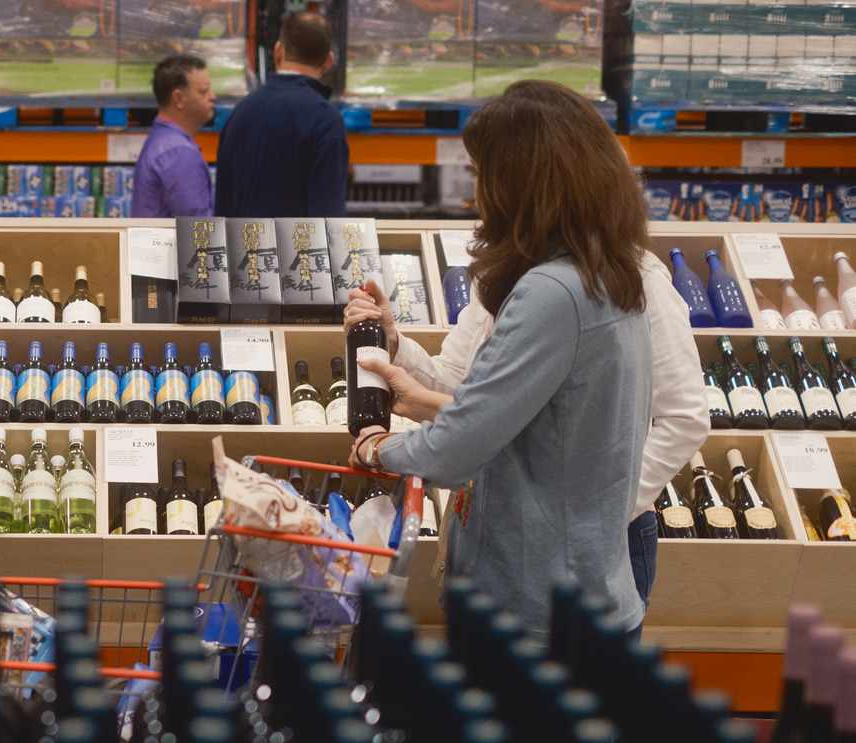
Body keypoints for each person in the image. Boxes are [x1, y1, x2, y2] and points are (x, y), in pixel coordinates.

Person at [347, 80, 656, 637]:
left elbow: (455, 452)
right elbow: (524, 419)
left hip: (536, 614)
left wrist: (377, 448)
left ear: (522, 182)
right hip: (585, 599)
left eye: (481, 174)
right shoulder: (607, 275)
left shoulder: (552, 292)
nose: (477, 195)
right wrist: (405, 360)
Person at [213, 11, 347, 218]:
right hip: (295, 249)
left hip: (240, 248)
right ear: (328, 61)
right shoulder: (326, 119)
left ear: (278, 51)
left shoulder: (241, 111)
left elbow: (223, 203)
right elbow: (328, 217)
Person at [131, 55, 216, 218]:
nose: (213, 96)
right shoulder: (179, 153)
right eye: (203, 91)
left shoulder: (162, 142)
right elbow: (199, 233)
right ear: (178, 98)